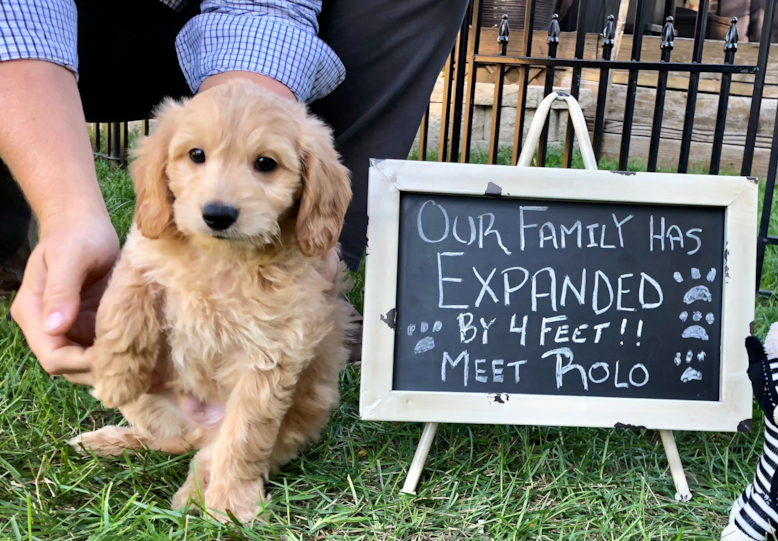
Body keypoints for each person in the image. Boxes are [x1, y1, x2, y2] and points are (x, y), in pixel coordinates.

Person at [0, 0, 470, 385]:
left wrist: (259, 130)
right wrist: (69, 211)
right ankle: (10, 247)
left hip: (225, 28)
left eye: (267, 166)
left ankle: (304, 278)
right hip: (53, 35)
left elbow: (261, 7)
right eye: (196, 158)